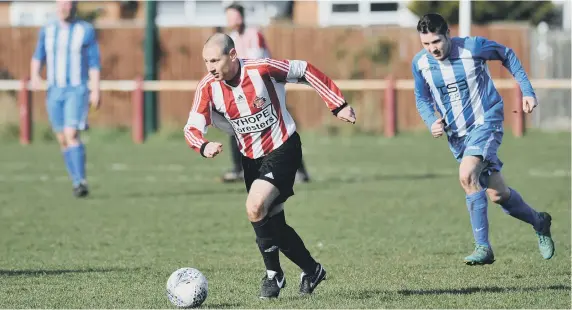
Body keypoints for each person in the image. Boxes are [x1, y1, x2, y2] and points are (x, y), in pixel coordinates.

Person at [184, 33, 356, 298]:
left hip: (283, 147)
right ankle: (312, 270)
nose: (210, 67)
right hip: (251, 158)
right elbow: (192, 126)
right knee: (273, 224)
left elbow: (305, 70)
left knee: (254, 207)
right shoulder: (207, 87)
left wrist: (338, 104)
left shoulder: (261, 69)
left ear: (232, 55)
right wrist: (203, 145)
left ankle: (273, 277)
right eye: (206, 61)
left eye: (215, 60)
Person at [411, 13, 555, 265]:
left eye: (436, 42)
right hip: (457, 136)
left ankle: (483, 247)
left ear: (448, 34)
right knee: (499, 195)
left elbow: (507, 54)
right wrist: (431, 121)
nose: (432, 49)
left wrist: (527, 92)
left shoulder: (473, 47)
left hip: (486, 123)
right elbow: (421, 97)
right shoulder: (420, 63)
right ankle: (539, 221)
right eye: (426, 44)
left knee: (467, 175)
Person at [220, 2, 311, 184]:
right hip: (244, 89)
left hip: (263, 88)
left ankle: (300, 171)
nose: (232, 20)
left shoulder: (254, 35)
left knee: (278, 130)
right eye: (229, 16)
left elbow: (257, 63)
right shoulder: (231, 38)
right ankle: (239, 169)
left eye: (234, 15)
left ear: (241, 16)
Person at [30, 0, 101, 198]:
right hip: (54, 90)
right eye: (61, 4)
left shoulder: (85, 30)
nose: (64, 8)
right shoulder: (47, 29)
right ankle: (75, 181)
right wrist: (35, 75)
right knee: (61, 138)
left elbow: (94, 62)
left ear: (74, 6)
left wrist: (95, 89)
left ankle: (81, 181)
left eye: (68, 4)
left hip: (76, 90)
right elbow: (38, 56)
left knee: (71, 134)